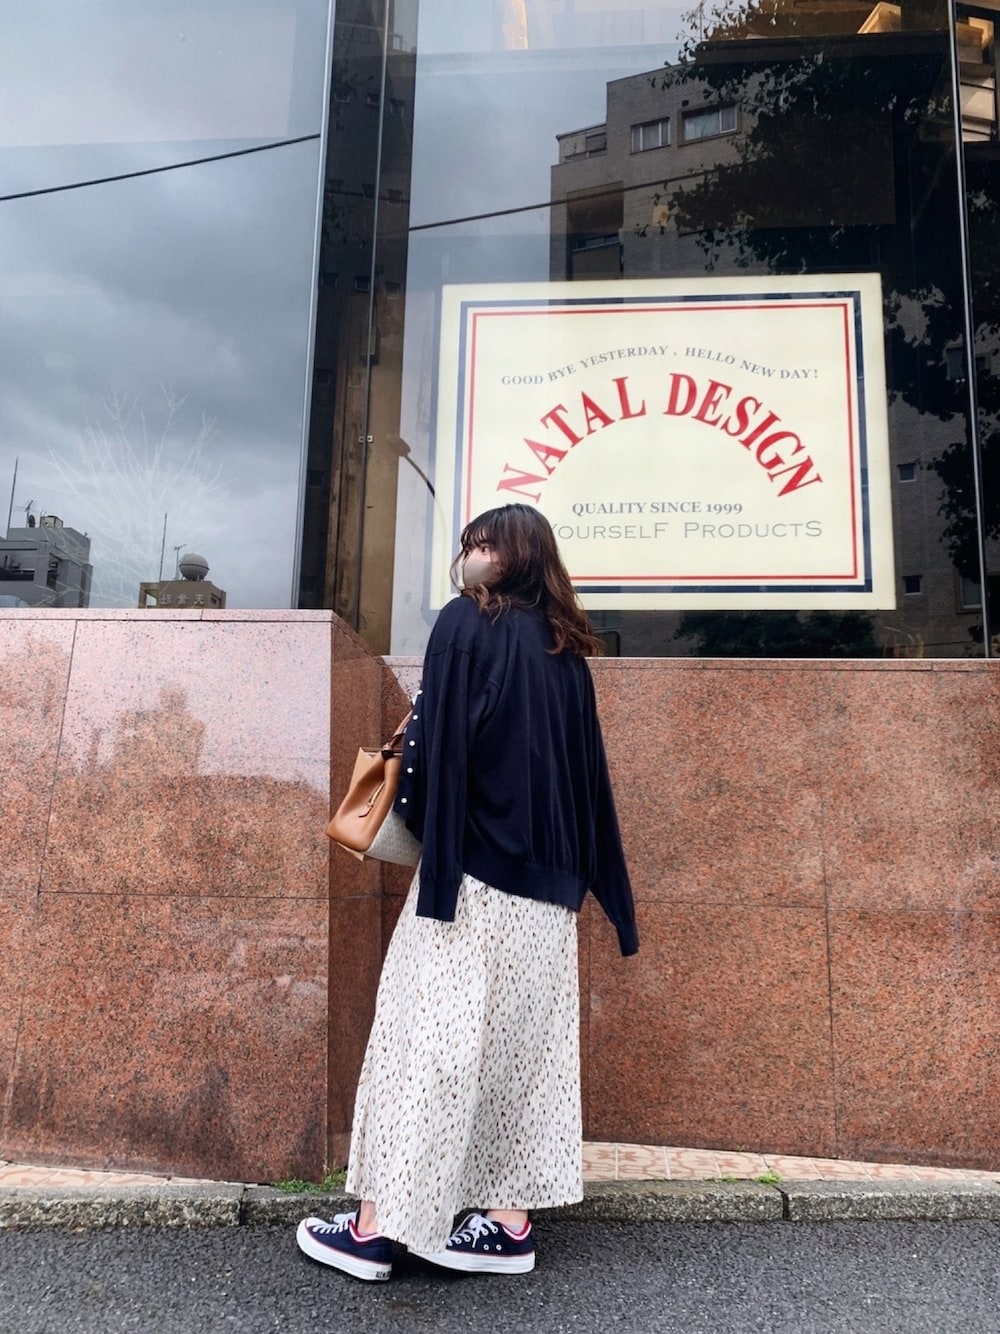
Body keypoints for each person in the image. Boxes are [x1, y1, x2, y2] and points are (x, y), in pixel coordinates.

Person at [297, 503, 638, 1282]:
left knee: (422, 1043)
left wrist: (429, 839)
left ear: (515, 555)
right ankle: (508, 1225)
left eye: (485, 543)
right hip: (551, 889)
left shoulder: (467, 621)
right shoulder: (566, 654)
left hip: (474, 877)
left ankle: (379, 1229)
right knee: (524, 1056)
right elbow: (590, 782)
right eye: (469, 543)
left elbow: (435, 747)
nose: (472, 554)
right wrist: (600, 891)